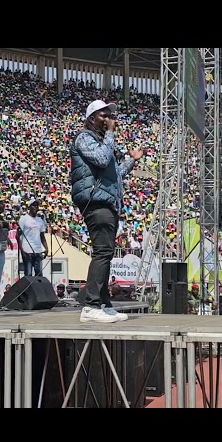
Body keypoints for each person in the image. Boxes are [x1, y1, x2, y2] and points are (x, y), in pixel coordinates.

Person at [70, 99, 143, 323]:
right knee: (102, 251)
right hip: (96, 201)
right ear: (91, 118)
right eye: (103, 115)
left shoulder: (101, 142)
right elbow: (102, 160)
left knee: (106, 252)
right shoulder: (85, 138)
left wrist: (132, 160)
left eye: (109, 116)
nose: (108, 119)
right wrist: (110, 134)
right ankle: (91, 306)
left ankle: (102, 303)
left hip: (106, 200)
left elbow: (115, 175)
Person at [18, 199, 48, 276]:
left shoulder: (40, 220)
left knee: (39, 274)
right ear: (29, 207)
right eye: (33, 205)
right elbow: (18, 235)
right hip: (27, 250)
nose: (35, 207)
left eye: (37, 205)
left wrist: (46, 248)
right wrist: (22, 250)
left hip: (38, 250)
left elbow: (42, 236)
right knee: (28, 274)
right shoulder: (23, 219)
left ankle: (39, 288)